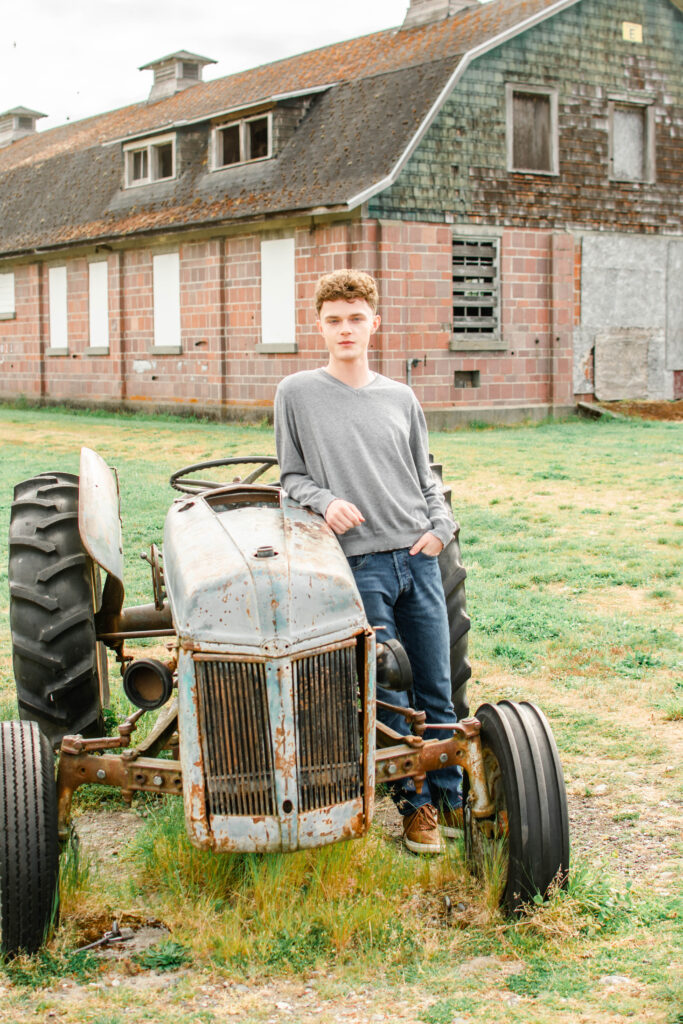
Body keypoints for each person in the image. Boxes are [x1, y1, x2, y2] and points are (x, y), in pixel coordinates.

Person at [274, 268, 462, 854]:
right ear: (320, 326)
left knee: (437, 683)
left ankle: (455, 798)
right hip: (361, 565)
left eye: (357, 319)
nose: (346, 329)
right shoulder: (297, 393)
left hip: (419, 557)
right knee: (391, 693)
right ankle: (417, 807)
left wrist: (440, 528)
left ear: (374, 324)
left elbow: (425, 473)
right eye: (334, 320)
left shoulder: (400, 397)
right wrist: (326, 501)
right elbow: (290, 477)